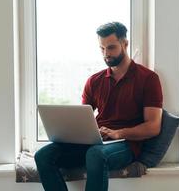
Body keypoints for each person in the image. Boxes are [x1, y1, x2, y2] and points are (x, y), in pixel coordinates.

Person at [34, 22, 163, 191]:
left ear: (125, 43)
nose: (106, 54)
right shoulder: (94, 81)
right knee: (43, 156)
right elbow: (82, 120)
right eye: (102, 49)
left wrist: (119, 133)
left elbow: (153, 127)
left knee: (95, 154)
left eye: (111, 48)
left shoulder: (148, 78)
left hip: (127, 144)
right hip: (97, 142)